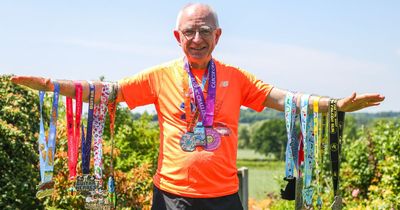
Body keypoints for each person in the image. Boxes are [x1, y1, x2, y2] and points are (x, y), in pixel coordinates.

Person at [11, 3, 385, 210]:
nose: (197, 38)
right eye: (189, 31)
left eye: (205, 30)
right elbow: (107, 92)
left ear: (217, 36)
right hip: (171, 198)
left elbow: (283, 100)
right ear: (178, 37)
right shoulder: (159, 76)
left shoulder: (237, 78)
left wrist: (333, 105)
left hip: (224, 200)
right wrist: (50, 86)